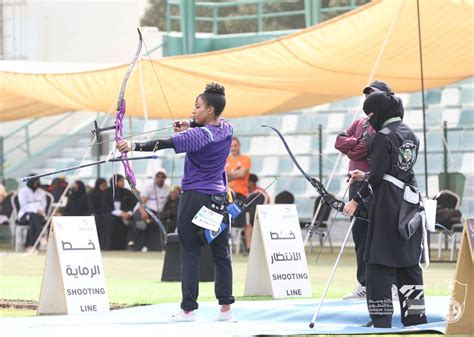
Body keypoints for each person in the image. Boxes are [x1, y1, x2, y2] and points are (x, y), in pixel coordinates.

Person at [117, 82, 235, 322]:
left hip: (195, 198)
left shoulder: (199, 136)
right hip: (219, 200)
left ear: (210, 109)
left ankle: (188, 310)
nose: (194, 110)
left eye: (197, 107)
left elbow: (166, 143)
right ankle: (225, 309)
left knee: (190, 251)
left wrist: (133, 146)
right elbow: (199, 127)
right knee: (221, 252)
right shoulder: (227, 128)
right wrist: (189, 123)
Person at [343, 91, 427, 328]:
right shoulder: (410, 133)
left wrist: (355, 200)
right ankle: (415, 317)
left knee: (378, 262)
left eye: (369, 113)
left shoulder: (382, 136)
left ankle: (381, 319)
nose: (368, 119)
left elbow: (378, 178)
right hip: (409, 202)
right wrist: (368, 173)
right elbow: (395, 170)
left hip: (388, 205)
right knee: (409, 262)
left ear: (378, 112)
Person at [334, 80, 393, 300]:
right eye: (367, 95)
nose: (369, 99)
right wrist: (355, 146)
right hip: (356, 184)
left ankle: (390, 285)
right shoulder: (359, 121)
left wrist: (353, 147)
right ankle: (365, 285)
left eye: (374, 95)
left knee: (382, 237)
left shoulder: (384, 125)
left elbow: (364, 148)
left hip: (376, 184)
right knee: (360, 236)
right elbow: (340, 142)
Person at [127, 169, 170, 251]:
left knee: (154, 224)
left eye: (162, 177)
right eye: (158, 177)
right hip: (143, 210)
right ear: (155, 178)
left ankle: (150, 246)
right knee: (141, 224)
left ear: (165, 178)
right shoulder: (149, 187)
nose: (160, 179)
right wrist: (144, 213)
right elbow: (141, 203)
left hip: (155, 213)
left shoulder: (167, 189)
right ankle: (132, 243)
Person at [101, 174, 137, 250]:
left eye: (123, 181)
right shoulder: (107, 192)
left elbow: (134, 203)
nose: (123, 182)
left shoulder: (127, 192)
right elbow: (105, 205)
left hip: (127, 216)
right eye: (121, 181)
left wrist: (129, 213)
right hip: (111, 215)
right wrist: (120, 213)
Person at [225, 137, 251, 228]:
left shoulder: (246, 159)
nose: (233, 148)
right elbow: (222, 177)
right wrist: (235, 173)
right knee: (226, 221)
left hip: (241, 195)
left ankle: (248, 243)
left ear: (239, 146)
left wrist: (228, 174)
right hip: (227, 195)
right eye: (231, 146)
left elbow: (242, 173)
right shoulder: (225, 159)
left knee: (245, 223)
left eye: (235, 146)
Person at [17, 175, 48, 251]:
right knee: (33, 216)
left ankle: (30, 246)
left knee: (34, 218)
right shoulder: (23, 192)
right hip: (24, 215)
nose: (38, 183)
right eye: (36, 182)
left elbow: (44, 204)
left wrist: (39, 210)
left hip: (39, 214)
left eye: (38, 181)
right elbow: (24, 206)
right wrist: (35, 210)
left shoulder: (41, 192)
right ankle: (42, 236)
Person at [243, 174, 270, 252]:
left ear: (251, 182)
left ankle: (249, 246)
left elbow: (253, 211)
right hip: (252, 217)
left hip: (262, 217)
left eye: (246, 181)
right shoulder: (246, 192)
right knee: (246, 217)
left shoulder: (259, 193)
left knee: (247, 218)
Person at [87, 178, 109, 249]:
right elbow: (91, 207)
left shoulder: (106, 194)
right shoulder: (92, 194)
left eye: (106, 186)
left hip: (104, 215)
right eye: (103, 186)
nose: (105, 188)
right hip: (95, 215)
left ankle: (105, 246)